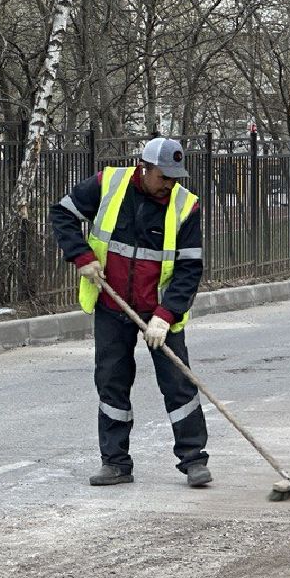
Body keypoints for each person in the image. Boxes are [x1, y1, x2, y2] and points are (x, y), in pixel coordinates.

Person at [51, 137, 210, 488]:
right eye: (164, 177)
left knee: (179, 384)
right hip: (112, 305)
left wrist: (166, 315)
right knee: (111, 382)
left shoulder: (186, 206)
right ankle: (115, 462)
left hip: (158, 311)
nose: (170, 184)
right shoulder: (108, 184)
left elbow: (189, 269)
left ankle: (194, 460)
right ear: (144, 167)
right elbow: (62, 213)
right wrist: (82, 257)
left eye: (175, 178)